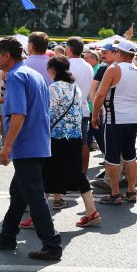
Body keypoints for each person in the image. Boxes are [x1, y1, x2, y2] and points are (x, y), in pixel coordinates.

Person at [0, 37, 61, 260]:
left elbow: (19, 114)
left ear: (7, 55)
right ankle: (7, 236)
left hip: (27, 145)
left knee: (34, 197)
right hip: (37, 143)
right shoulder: (34, 74)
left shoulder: (16, 76)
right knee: (18, 193)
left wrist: (7, 146)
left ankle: (52, 244)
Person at [21, 56, 100, 229]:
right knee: (78, 175)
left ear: (53, 70)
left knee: (44, 175)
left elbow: (47, 114)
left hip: (57, 138)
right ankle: (92, 211)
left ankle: (38, 217)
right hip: (75, 137)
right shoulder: (75, 88)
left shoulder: (54, 88)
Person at [92, 40, 137, 205]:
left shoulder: (114, 69)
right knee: (130, 155)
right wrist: (133, 113)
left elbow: (100, 95)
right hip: (131, 119)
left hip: (115, 119)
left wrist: (95, 115)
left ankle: (115, 194)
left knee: (112, 158)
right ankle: (131, 191)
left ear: (119, 53)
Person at [65, 37, 94, 174]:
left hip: (67, 110)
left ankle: (69, 175)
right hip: (83, 109)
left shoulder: (66, 64)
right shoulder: (88, 66)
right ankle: (83, 173)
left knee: (65, 144)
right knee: (83, 143)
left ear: (69, 49)